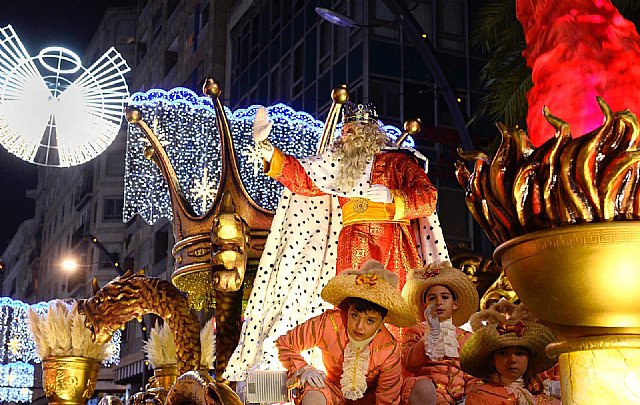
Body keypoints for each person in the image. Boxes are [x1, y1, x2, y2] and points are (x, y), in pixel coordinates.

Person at [224, 101, 449, 380]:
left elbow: (428, 197)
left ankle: (398, 373)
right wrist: (268, 149)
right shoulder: (339, 164)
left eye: (357, 130)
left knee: (396, 304)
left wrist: (394, 199)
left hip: (393, 241)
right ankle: (352, 373)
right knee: (352, 308)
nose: (350, 136)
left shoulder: (399, 162)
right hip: (351, 243)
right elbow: (303, 178)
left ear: (372, 133)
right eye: (347, 130)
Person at [276, 259, 417, 404]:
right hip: (331, 391)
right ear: (348, 308)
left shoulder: (389, 348)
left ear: (382, 321)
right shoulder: (329, 323)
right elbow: (285, 344)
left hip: (369, 400)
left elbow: (387, 398)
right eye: (354, 315)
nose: (359, 327)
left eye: (370, 321)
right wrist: (304, 369)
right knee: (313, 392)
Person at [400, 261, 480, 404]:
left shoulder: (467, 337)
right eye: (432, 298)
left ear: (455, 304)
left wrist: (471, 394)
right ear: (424, 305)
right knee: (422, 388)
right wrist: (429, 337)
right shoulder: (417, 331)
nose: (438, 302)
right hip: (428, 394)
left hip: (460, 397)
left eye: (445, 297)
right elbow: (409, 363)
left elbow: (473, 373)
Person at [460, 305, 560, 405]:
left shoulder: (542, 397)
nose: (512, 360)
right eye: (503, 353)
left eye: (519, 353)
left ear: (529, 359)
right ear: (493, 360)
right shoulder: (481, 396)